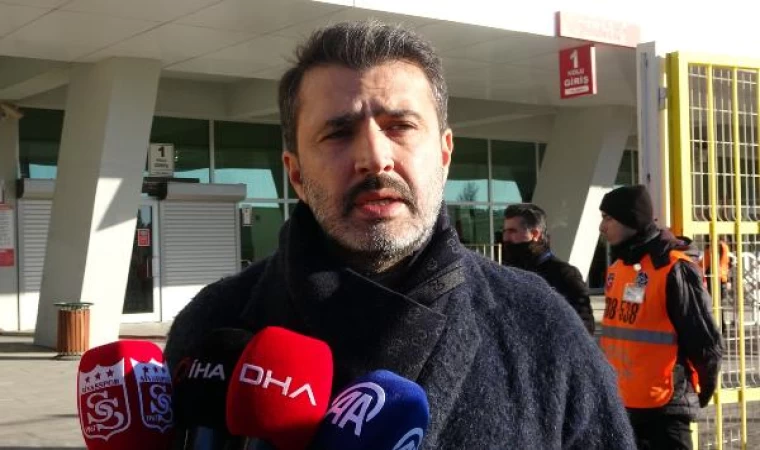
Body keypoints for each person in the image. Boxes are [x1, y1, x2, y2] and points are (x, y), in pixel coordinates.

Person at [166, 21, 635, 449]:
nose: (374, 157)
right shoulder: (213, 322)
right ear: (295, 175)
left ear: (445, 155)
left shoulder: (541, 326)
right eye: (338, 133)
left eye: (400, 127)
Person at [598, 185, 723, 450]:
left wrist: (702, 390)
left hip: (664, 408)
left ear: (631, 219)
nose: (602, 227)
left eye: (608, 218)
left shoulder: (673, 268)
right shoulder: (618, 268)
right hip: (623, 403)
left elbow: (704, 340)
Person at [502, 203, 595, 334]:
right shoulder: (507, 274)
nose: (505, 238)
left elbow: (584, 328)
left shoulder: (564, 274)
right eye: (505, 231)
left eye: (512, 231)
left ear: (535, 234)